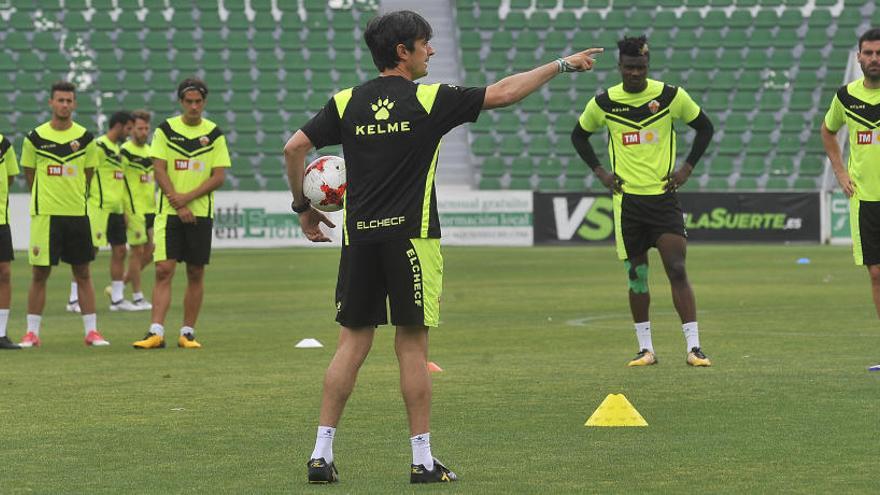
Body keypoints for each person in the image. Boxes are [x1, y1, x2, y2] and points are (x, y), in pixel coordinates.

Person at [283, 10, 601, 484]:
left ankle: (320, 454)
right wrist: (562, 64)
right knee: (411, 346)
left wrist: (302, 207)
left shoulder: (346, 102)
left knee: (351, 344)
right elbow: (505, 93)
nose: (431, 50)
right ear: (402, 52)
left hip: (360, 239)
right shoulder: (430, 98)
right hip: (412, 237)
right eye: (424, 43)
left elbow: (293, 148)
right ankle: (422, 459)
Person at [571, 35, 714, 367]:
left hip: (664, 200)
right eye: (629, 67)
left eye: (641, 67)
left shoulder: (669, 96)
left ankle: (694, 347)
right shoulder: (604, 103)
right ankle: (646, 349)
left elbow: (705, 128)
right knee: (637, 276)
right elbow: (579, 135)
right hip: (627, 204)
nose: (635, 73)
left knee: (677, 268)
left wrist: (687, 169)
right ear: (620, 66)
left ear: (648, 66)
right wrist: (601, 173)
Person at [132, 78, 230, 350]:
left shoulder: (214, 134)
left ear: (204, 102)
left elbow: (219, 176)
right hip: (169, 212)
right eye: (189, 101)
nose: (194, 106)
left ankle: (187, 332)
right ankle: (156, 331)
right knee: (164, 269)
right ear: (181, 102)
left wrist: (186, 199)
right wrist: (179, 204)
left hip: (200, 212)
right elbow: (159, 168)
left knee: (195, 271)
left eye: (198, 101)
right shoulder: (165, 130)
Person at [19, 80, 110, 348]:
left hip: (76, 214)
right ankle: (32, 333)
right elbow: (30, 175)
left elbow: (88, 175)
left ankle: (92, 331)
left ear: (74, 104)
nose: (65, 105)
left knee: (83, 271)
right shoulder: (34, 138)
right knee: (39, 273)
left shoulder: (85, 139)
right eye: (60, 100)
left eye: (69, 100)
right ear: (51, 102)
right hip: (45, 215)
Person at [821, 28, 880, 371]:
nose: (874, 58)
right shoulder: (845, 97)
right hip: (866, 201)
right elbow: (828, 131)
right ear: (859, 57)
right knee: (875, 274)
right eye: (868, 53)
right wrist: (841, 173)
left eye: (879, 53)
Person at [68, 111, 136, 313]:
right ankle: (73, 300)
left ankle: (117, 299)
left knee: (120, 251)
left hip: (116, 210)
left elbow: (119, 182)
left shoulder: (118, 151)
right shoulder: (98, 146)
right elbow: (83, 170)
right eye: (129, 128)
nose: (130, 133)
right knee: (87, 253)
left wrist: (124, 209)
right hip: (98, 208)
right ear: (119, 126)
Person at [120, 109, 156, 311]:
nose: (144, 132)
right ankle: (137, 296)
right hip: (134, 209)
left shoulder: (150, 151)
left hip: (150, 207)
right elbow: (119, 182)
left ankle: (118, 286)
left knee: (152, 251)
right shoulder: (125, 151)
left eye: (146, 128)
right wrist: (123, 210)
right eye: (140, 128)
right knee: (137, 252)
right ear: (132, 129)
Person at [0, 132, 20, 349]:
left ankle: (0, 333)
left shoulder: (3, 143)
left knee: (4, 273)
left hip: (0, 221)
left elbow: (11, 177)